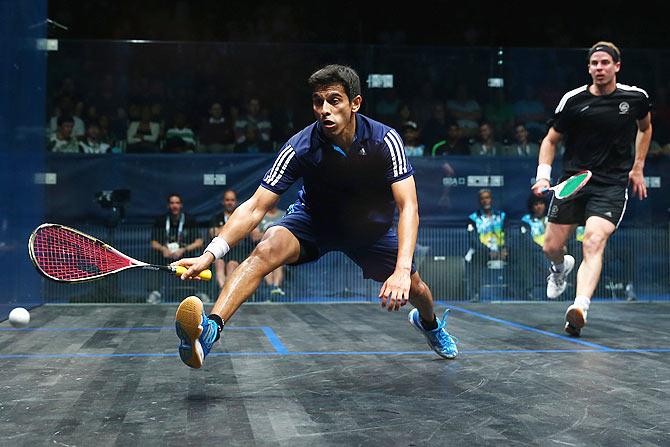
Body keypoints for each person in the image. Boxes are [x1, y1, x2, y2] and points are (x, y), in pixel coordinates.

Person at [172, 64, 458, 368]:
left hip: (369, 231)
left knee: (417, 289)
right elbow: (255, 206)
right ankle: (211, 330)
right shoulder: (301, 146)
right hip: (314, 222)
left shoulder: (384, 140)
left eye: (334, 100)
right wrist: (211, 254)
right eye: (318, 102)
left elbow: (408, 207)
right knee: (266, 248)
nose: (324, 109)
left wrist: (401, 269)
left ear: (355, 103)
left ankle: (430, 324)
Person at [531, 41, 652, 336]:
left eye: (605, 63)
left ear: (616, 66)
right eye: (594, 64)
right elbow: (550, 140)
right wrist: (543, 176)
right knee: (551, 247)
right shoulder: (573, 101)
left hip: (610, 184)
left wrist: (638, 167)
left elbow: (645, 128)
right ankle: (560, 269)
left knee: (594, 241)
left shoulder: (635, 98)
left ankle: (579, 307)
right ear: (589, 68)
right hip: (573, 182)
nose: (599, 68)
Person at [147, 193, 204, 304]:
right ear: (168, 205)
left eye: (177, 203)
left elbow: (199, 242)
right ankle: (155, 292)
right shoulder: (161, 220)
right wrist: (163, 249)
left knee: (201, 259)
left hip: (185, 255)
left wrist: (184, 249)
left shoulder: (189, 220)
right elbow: (153, 243)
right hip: (165, 255)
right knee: (151, 256)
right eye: (172, 203)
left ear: (181, 205)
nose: (174, 206)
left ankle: (200, 292)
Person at [464, 189, 508, 301]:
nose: (485, 200)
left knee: (521, 256)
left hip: (501, 251)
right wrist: (488, 251)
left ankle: (525, 292)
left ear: (491, 199)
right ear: (479, 201)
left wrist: (505, 249)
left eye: (487, 197)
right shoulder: (473, 218)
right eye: (482, 198)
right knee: (476, 259)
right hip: (483, 251)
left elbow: (509, 235)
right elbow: (473, 239)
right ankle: (475, 294)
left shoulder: (501, 216)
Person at [207, 189, 254, 291]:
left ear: (236, 202)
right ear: (223, 202)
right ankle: (224, 292)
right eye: (227, 200)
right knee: (219, 263)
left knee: (232, 265)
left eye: (232, 200)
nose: (229, 202)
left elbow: (245, 232)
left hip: (237, 250)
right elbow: (214, 233)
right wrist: (234, 229)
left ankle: (225, 292)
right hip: (220, 249)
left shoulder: (241, 216)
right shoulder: (216, 217)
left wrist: (224, 229)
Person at [251, 204, 287, 296]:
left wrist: (266, 233)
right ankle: (270, 288)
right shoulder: (259, 215)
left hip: (280, 251)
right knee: (266, 261)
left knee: (278, 262)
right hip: (263, 251)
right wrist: (273, 234)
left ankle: (275, 288)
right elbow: (254, 236)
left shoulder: (284, 215)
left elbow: (288, 236)